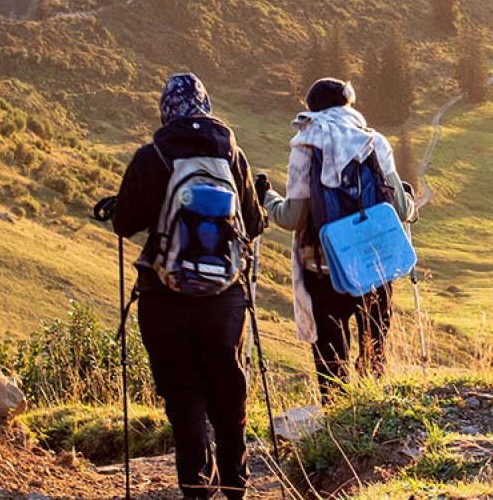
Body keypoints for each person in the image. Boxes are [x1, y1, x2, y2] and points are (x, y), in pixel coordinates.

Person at [112, 74, 264, 500]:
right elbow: (252, 225)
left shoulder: (151, 155)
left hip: (164, 296)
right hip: (225, 297)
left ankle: (196, 485)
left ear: (166, 110)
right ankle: (237, 481)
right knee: (228, 385)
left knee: (184, 391)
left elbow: (125, 223)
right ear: (205, 106)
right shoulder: (232, 153)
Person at [261, 78, 416, 402]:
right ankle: (376, 422)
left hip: (324, 269)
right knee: (375, 355)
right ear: (349, 105)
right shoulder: (374, 141)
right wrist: (409, 200)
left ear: (312, 110)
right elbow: (399, 209)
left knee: (331, 362)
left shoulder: (305, 145)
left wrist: (267, 198)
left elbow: (291, 217)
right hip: (375, 268)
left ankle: (337, 425)